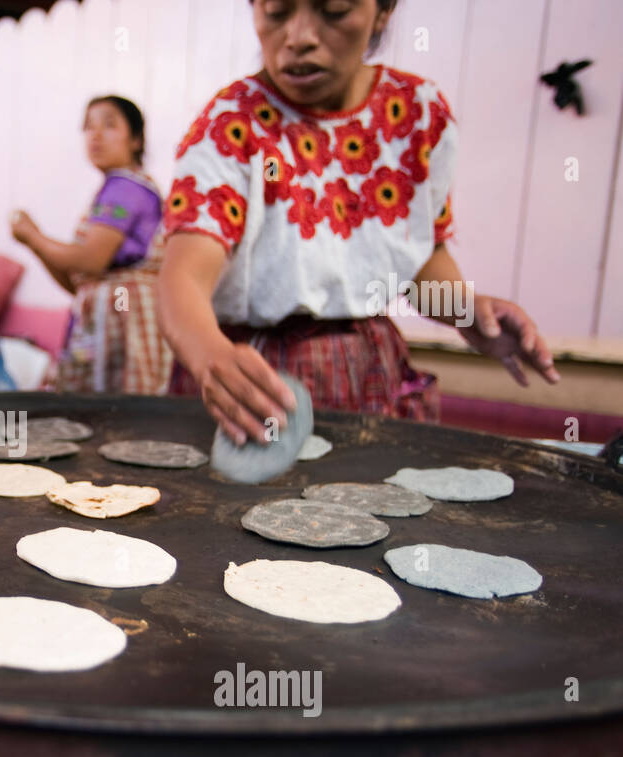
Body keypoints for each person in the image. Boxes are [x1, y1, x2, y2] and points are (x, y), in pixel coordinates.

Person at [158, 0, 558, 446]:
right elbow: (184, 278)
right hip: (254, 382)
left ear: (383, 11)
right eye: (276, 11)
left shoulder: (415, 115)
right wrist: (209, 354)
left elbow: (413, 259)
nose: (299, 37)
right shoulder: (232, 125)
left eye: (334, 10)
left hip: (368, 374)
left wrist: (468, 312)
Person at [11, 95, 172, 394]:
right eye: (88, 126)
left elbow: (91, 260)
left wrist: (35, 237)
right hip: (105, 318)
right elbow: (79, 281)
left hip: (125, 318)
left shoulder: (126, 188)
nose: (95, 135)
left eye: (109, 125)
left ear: (136, 140)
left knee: (117, 415)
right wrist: (35, 244)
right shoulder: (114, 189)